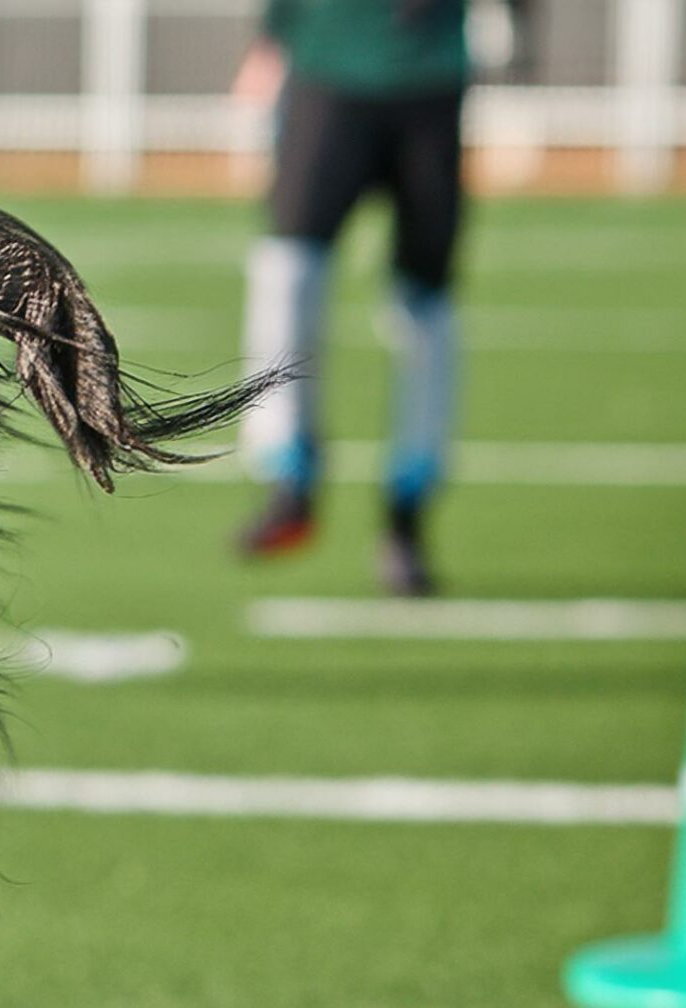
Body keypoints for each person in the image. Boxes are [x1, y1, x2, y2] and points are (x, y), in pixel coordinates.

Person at [232, 0, 531, 596]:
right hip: (327, 77)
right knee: (287, 271)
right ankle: (288, 475)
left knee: (426, 303)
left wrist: (518, 40)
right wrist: (270, 41)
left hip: (428, 86)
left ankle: (408, 511)